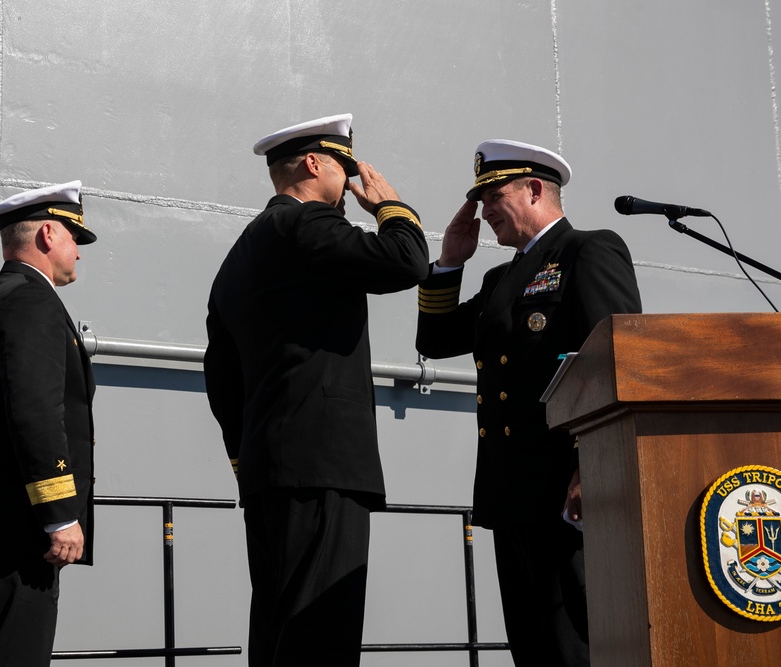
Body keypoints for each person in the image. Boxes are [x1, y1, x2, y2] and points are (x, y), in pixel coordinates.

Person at [204, 113, 429, 666]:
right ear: (313, 164)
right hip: (321, 464)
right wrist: (391, 208)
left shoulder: (240, 254)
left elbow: (221, 376)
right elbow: (407, 261)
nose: (354, 184)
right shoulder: (305, 225)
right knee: (320, 632)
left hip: (271, 469)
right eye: (346, 169)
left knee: (280, 625)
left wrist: (246, 456)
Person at [415, 140, 642, 666]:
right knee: (533, 649)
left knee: (576, 646)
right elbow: (436, 338)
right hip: (510, 494)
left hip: (567, 493)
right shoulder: (501, 278)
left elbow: (616, 363)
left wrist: (591, 467)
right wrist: (450, 261)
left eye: (493, 196)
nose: (484, 210)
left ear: (535, 189)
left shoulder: (589, 250)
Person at [0, 180, 98, 666]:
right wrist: (60, 513)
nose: (78, 251)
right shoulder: (31, 301)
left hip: (3, 527)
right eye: (75, 238)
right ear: (49, 234)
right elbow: (35, 411)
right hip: (20, 531)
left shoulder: (6, 297)